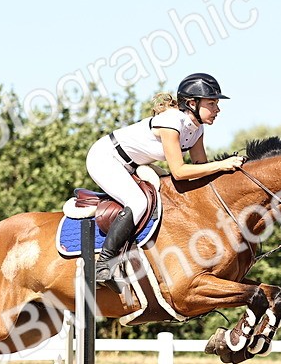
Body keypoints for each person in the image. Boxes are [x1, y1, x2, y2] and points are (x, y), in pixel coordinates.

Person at [85, 72, 246, 287]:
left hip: (135, 165)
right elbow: (179, 171)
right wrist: (222, 164)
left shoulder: (197, 129)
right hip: (106, 157)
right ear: (192, 103)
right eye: (212, 103)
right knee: (138, 202)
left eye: (216, 104)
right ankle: (103, 265)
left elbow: (200, 169)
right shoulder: (172, 122)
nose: (218, 109)